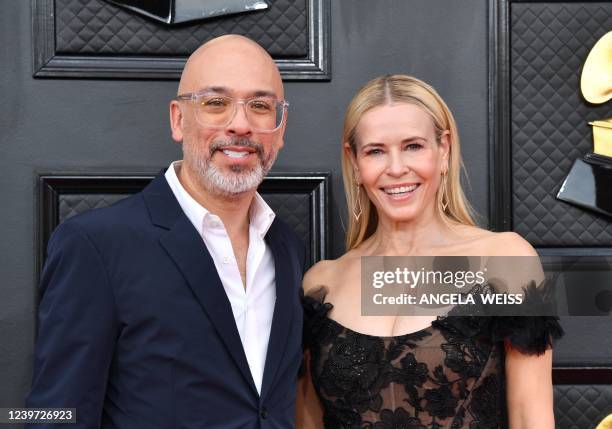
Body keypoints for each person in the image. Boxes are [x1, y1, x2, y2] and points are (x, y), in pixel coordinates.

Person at [26, 35, 304, 428]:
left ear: (280, 127)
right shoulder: (97, 246)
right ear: (178, 119)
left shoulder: (287, 249)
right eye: (216, 102)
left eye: (260, 106)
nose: (240, 124)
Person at [298, 75, 563, 428]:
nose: (395, 168)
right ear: (355, 163)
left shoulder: (503, 259)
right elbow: (307, 420)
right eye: (376, 151)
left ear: (444, 150)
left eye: (413, 146)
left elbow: (531, 417)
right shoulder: (322, 282)